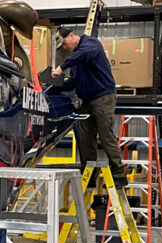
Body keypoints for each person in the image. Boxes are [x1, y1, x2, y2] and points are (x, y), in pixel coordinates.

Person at [52, 27, 128, 188]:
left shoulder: (90, 44)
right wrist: (53, 87)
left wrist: (62, 67)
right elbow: (73, 81)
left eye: (64, 44)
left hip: (103, 98)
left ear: (72, 36)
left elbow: (85, 54)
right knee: (85, 139)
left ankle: (119, 175)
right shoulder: (76, 60)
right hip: (87, 101)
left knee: (106, 136)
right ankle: (89, 175)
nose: (64, 48)